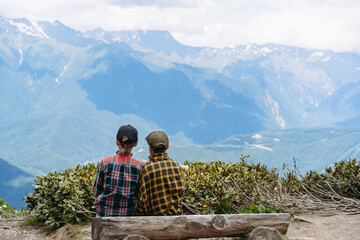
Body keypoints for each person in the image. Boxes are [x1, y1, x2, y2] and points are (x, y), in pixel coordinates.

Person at [93, 124, 143, 217]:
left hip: (104, 214)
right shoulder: (139, 167)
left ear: (117, 141)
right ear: (135, 143)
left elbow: (96, 190)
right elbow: (137, 194)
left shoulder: (105, 163)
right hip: (127, 215)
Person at [135, 130, 185, 216]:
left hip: (154, 222)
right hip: (176, 218)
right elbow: (182, 192)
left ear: (150, 149)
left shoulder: (147, 169)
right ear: (168, 146)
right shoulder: (176, 166)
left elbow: (142, 201)